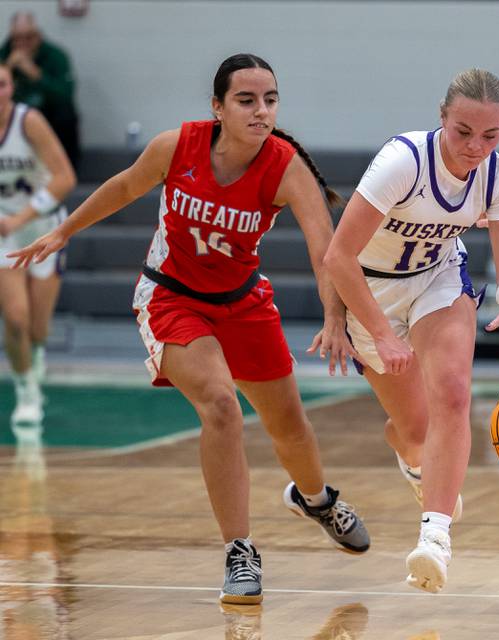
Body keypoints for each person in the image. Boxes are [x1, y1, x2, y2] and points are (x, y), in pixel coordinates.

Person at [7, 53, 370, 604]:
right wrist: (65, 232)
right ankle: (240, 552)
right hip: (171, 297)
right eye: (246, 100)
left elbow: (327, 252)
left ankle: (316, 499)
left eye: (270, 99)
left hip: (243, 299)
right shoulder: (178, 146)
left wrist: (334, 315)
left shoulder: (285, 165)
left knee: (290, 426)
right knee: (221, 406)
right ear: (218, 107)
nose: (261, 110)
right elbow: (125, 186)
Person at [324, 68, 499, 593]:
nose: (475, 147)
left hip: (439, 278)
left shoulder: (498, 176)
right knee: (415, 433)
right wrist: (382, 333)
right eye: (463, 131)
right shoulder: (403, 162)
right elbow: (338, 257)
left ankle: (434, 539)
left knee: (454, 394)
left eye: (490, 135)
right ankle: (417, 463)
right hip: (371, 289)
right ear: (441, 118)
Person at [0, 62, 76, 425]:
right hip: (4, 236)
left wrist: (20, 218)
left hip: (43, 228)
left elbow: (64, 178)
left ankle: (38, 352)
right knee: (15, 320)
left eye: (0, 84)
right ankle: (26, 390)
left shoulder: (28, 121)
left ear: (11, 88)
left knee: (37, 327)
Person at [0, 12, 80, 167]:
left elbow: (65, 94)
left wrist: (36, 74)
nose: (23, 43)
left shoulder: (56, 56)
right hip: (10, 115)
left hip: (48, 113)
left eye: (28, 37)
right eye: (17, 38)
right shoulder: (4, 56)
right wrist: (8, 69)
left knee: (66, 113)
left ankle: (68, 167)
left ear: (38, 35)